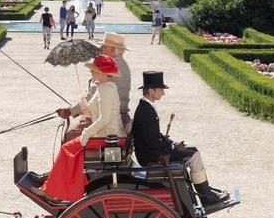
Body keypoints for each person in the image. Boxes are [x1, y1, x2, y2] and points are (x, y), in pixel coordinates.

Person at [131, 71, 230, 208]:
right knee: (194, 156)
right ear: (151, 91)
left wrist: (172, 144)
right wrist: (171, 147)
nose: (163, 93)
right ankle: (206, 195)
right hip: (151, 156)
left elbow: (155, 136)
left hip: (151, 151)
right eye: (161, 90)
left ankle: (205, 192)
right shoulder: (145, 110)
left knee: (193, 150)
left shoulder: (146, 107)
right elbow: (151, 141)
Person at [41, 55, 126, 202]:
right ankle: (57, 186)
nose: (91, 72)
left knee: (67, 148)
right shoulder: (104, 87)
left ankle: (56, 191)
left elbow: (104, 119)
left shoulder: (105, 90)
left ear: (103, 72)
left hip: (107, 137)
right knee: (70, 146)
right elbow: (88, 109)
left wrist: (86, 134)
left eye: (94, 70)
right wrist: (69, 109)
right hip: (107, 135)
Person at [56, 32, 132, 142]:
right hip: (114, 113)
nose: (100, 49)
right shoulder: (121, 64)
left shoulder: (110, 67)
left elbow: (90, 98)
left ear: (112, 49)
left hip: (108, 118)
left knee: (70, 135)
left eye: (103, 47)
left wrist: (70, 111)